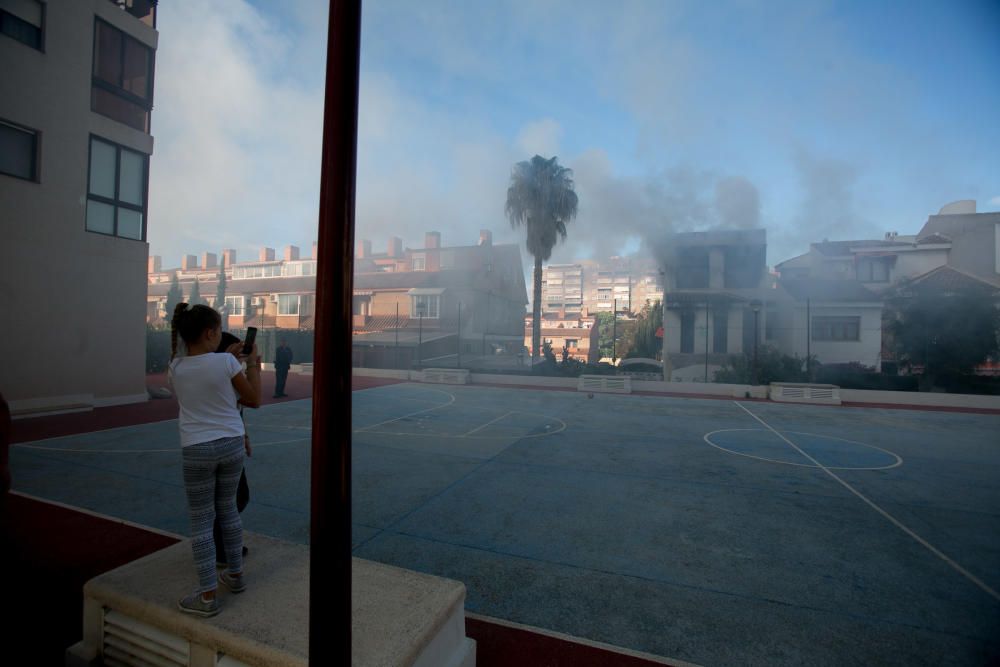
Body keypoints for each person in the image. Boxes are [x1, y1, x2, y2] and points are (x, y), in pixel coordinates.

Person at [169, 303, 260, 617]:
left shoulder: (175, 367)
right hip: (231, 444)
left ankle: (207, 595)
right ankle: (235, 575)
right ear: (210, 332)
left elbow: (201, 383)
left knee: (202, 521)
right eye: (219, 330)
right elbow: (253, 398)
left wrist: (228, 360)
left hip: (197, 449)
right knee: (229, 511)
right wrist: (253, 365)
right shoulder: (226, 362)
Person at [213, 332, 250, 568]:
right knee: (234, 498)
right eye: (238, 352)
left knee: (231, 498)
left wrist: (245, 435)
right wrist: (254, 366)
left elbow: (238, 411)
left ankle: (222, 547)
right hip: (221, 445)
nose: (242, 356)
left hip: (229, 441)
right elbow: (253, 398)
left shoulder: (224, 375)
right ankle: (222, 550)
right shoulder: (224, 379)